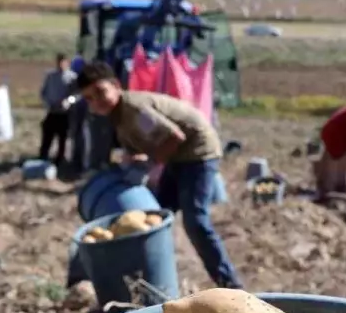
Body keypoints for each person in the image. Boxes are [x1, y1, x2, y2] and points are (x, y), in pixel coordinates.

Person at [74, 61, 242, 290]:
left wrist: (152, 165)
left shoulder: (133, 108)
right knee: (155, 215)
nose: (96, 101)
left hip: (198, 152)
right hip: (177, 157)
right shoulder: (117, 116)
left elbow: (174, 137)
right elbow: (143, 143)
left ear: (115, 85)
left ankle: (230, 285)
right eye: (89, 98)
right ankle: (150, 278)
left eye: (100, 92)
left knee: (195, 222)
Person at [40, 53, 78, 165]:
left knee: (63, 137)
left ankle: (60, 159)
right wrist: (48, 102)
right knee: (47, 134)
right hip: (52, 110)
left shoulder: (73, 77)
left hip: (65, 112)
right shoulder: (50, 76)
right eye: (59, 62)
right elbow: (43, 92)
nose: (61, 64)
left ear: (67, 63)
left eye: (63, 62)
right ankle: (43, 156)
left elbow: (77, 95)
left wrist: (69, 101)